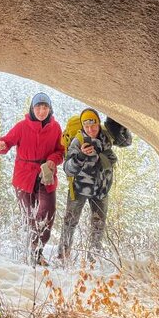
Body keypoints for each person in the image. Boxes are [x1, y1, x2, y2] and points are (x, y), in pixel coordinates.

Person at [0, 93, 64, 265]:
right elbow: (6, 142)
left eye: (45, 107)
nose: (42, 111)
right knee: (28, 216)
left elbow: (61, 151)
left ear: (50, 109)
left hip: (45, 174)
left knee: (48, 211)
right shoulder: (22, 126)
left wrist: (51, 161)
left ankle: (38, 248)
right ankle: (32, 253)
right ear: (32, 109)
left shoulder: (55, 128)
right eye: (38, 107)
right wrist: (0, 145)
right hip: (24, 176)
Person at [58, 108, 132, 263]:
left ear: (99, 124)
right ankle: (62, 257)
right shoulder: (78, 141)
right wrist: (80, 156)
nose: (90, 129)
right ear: (83, 126)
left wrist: (122, 124)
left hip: (101, 190)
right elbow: (68, 169)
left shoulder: (106, 136)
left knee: (98, 226)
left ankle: (93, 260)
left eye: (94, 125)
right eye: (87, 126)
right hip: (79, 189)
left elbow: (126, 142)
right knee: (70, 222)